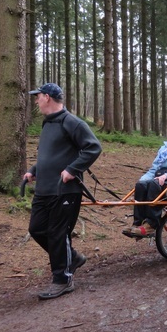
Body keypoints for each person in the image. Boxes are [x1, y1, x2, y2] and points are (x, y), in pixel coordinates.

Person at [24, 83, 102, 300]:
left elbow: (93, 147)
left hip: (66, 190)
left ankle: (63, 279)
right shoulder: (48, 123)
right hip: (44, 189)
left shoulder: (72, 122)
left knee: (58, 234)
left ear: (47, 97)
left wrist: (72, 169)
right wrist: (33, 171)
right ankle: (72, 258)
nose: (36, 100)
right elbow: (49, 155)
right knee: (37, 229)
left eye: (38, 96)